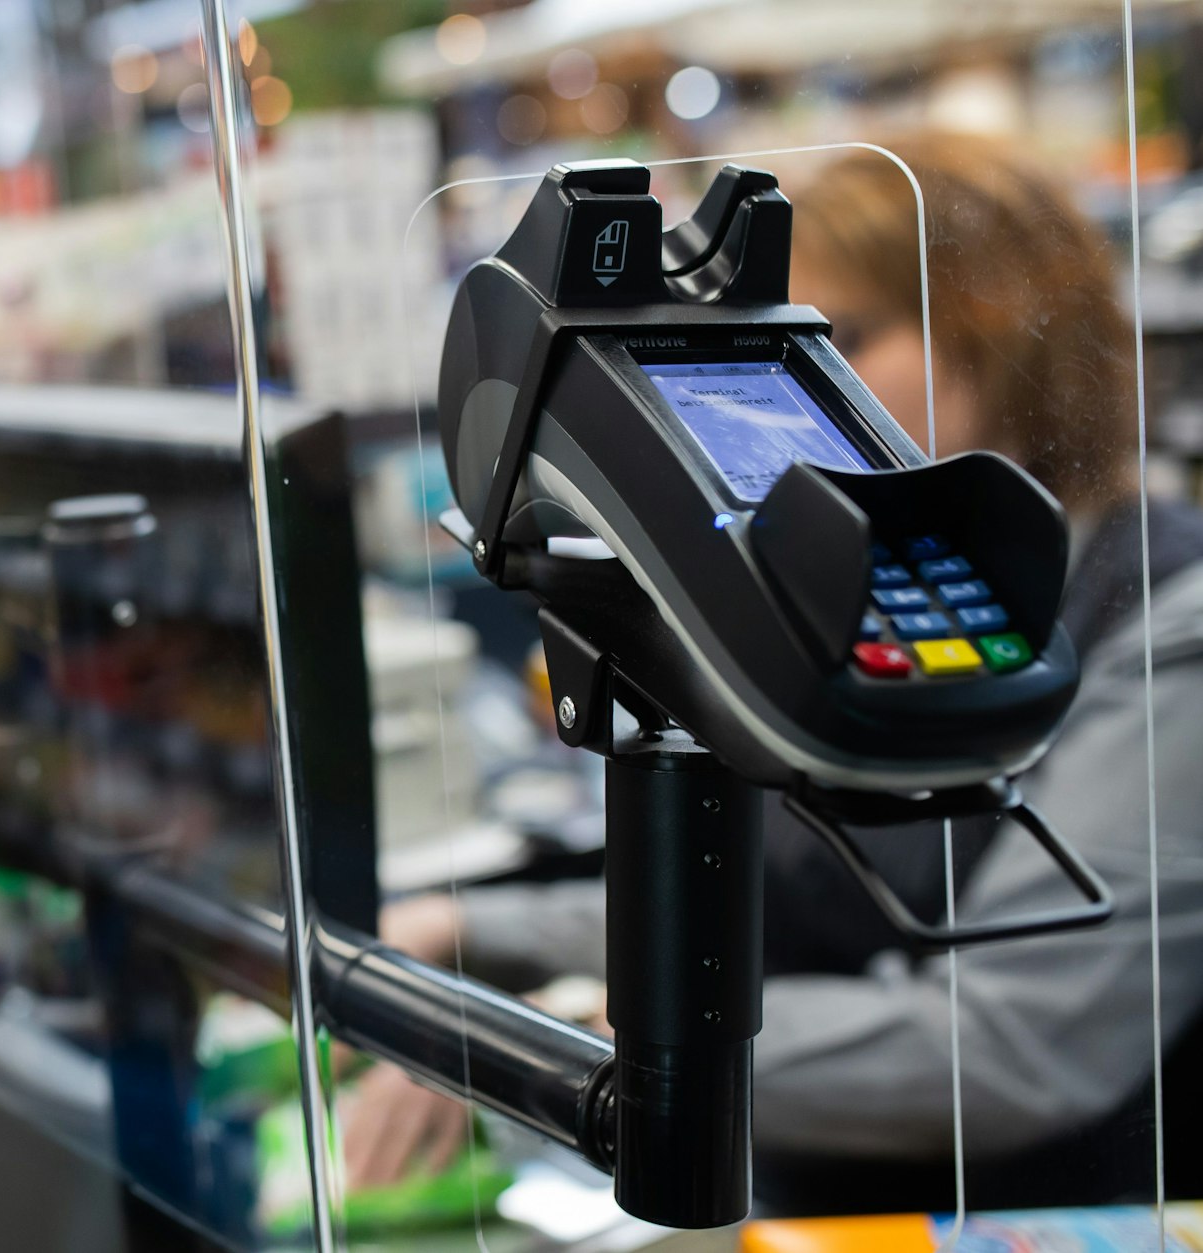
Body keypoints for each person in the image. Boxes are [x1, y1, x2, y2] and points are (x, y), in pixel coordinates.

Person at [344, 131, 1203, 1211]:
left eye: (841, 338)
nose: (779, 403)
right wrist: (473, 929)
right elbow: (761, 891)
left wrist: (569, 1037)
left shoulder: (1170, 615)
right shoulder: (827, 586)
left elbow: (1013, 1037)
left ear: (994, 339)